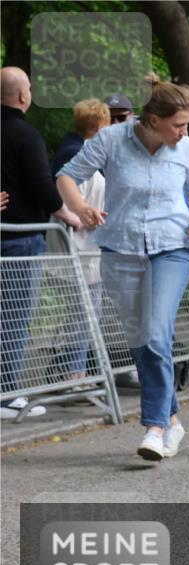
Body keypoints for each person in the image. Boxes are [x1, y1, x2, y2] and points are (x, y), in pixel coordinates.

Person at [56, 73, 189, 461]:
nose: (185, 131)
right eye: (179, 125)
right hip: (121, 249)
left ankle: (154, 428)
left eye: (187, 124)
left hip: (173, 246)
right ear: (154, 120)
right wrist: (81, 208)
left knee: (157, 332)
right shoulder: (112, 139)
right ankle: (173, 419)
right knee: (141, 340)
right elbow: (65, 177)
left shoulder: (186, 147)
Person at [1, 66, 81, 420]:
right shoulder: (26, 135)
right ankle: (7, 394)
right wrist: (68, 215)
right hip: (21, 238)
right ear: (22, 96)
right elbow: (42, 185)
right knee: (15, 318)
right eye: (30, 88)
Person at [55, 99, 111, 384]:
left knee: (84, 315)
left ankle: (74, 371)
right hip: (82, 249)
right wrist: (86, 217)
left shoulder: (78, 152)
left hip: (88, 248)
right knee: (85, 316)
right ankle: (73, 375)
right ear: (99, 125)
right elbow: (68, 205)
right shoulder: (77, 157)